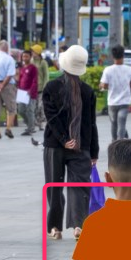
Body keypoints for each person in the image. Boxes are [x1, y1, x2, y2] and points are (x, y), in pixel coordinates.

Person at [42, 45, 99, 240]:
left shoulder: (51, 87)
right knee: (79, 185)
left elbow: (51, 118)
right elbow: (91, 123)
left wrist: (64, 140)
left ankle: (55, 228)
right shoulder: (88, 91)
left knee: (54, 185)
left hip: (55, 145)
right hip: (81, 145)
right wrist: (94, 152)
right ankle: (78, 226)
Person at [100, 45, 131, 140]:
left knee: (114, 124)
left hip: (112, 102)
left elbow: (104, 85)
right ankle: (120, 143)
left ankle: (114, 142)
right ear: (123, 55)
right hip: (124, 102)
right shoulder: (129, 69)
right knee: (122, 124)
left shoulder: (107, 70)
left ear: (112, 56)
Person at [16, 48, 41, 136]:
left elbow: (35, 81)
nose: (24, 58)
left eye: (26, 56)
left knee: (30, 110)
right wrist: (18, 89)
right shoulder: (22, 68)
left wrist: (31, 90)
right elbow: (20, 80)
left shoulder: (33, 68)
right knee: (21, 110)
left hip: (30, 93)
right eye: (23, 56)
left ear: (30, 57)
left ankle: (30, 128)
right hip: (22, 93)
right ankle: (30, 124)